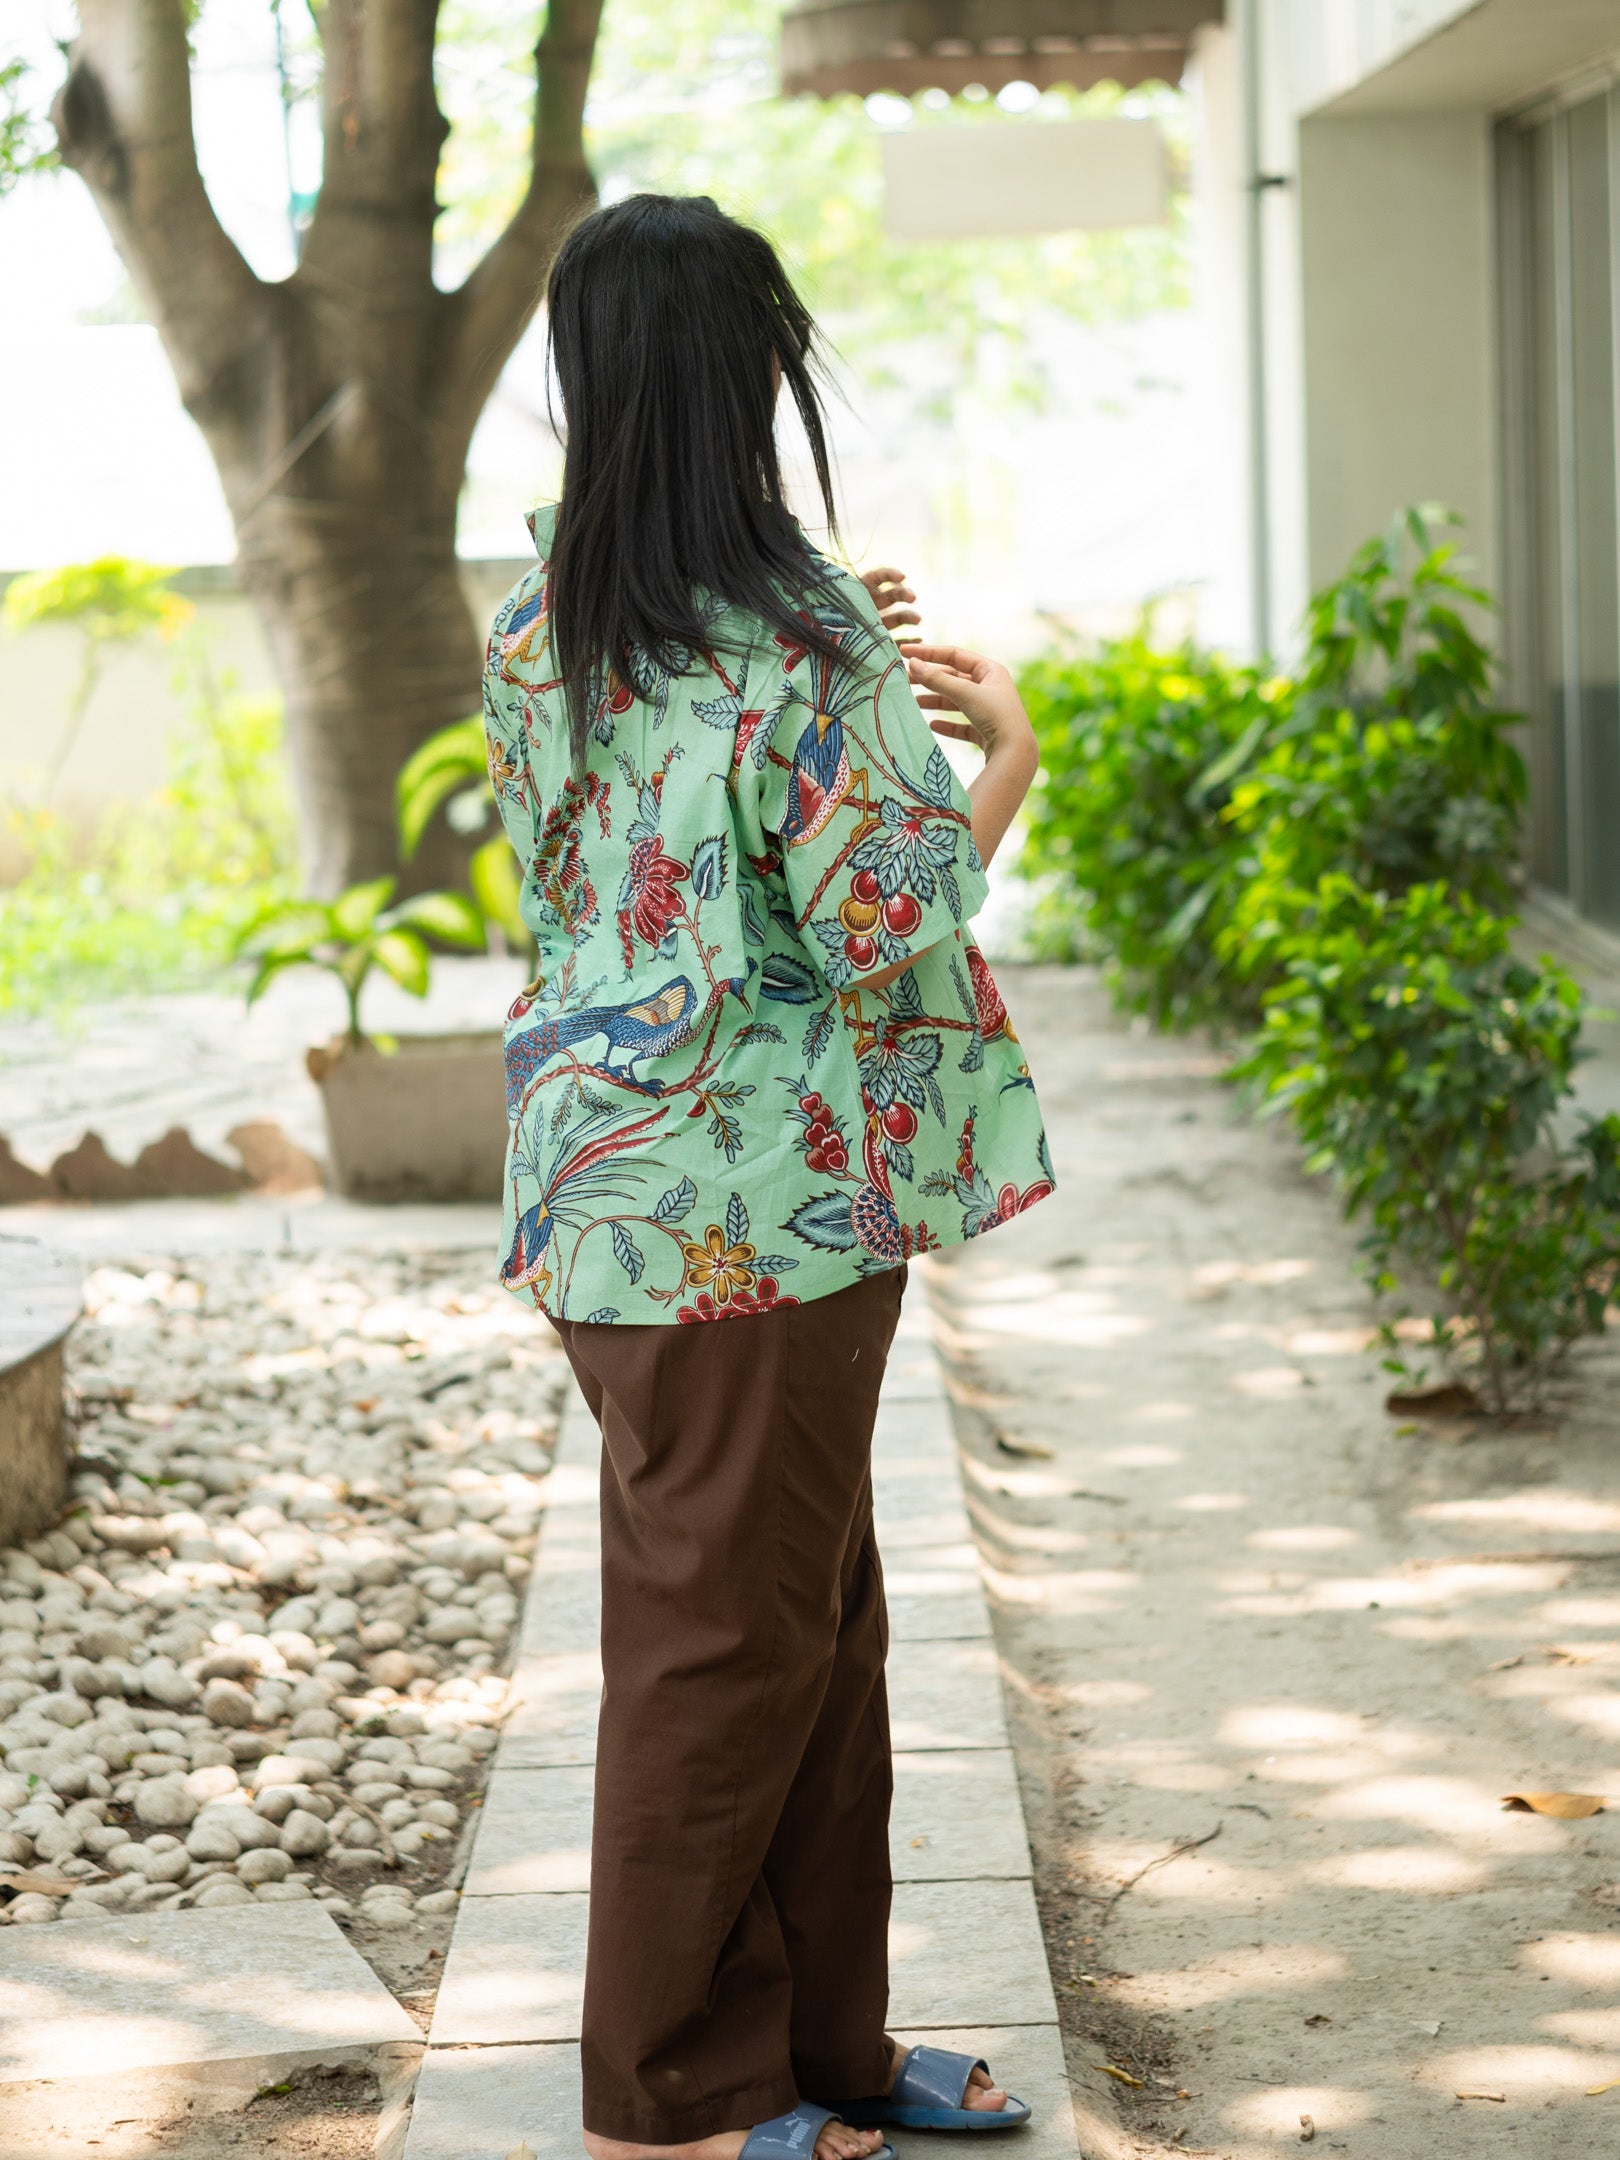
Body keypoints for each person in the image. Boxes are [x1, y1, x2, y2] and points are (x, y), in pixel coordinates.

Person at [482, 192, 1054, 2160]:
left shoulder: (548, 623)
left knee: (807, 1620)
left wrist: (857, 680)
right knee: (734, 1648)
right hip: (768, 1207)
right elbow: (882, 906)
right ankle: (671, 2096)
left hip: (608, 1198)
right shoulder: (798, 632)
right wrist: (1004, 757)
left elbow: (662, 843)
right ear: (755, 376)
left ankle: (819, 2045)